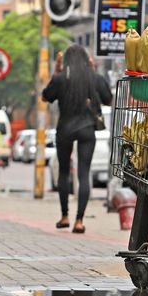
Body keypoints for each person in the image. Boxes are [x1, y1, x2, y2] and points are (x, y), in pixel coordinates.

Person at [42, 44, 112, 233]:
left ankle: (64, 216)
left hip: (65, 129)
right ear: (86, 60)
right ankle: (79, 221)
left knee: (64, 172)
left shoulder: (60, 78)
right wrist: (93, 71)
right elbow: (108, 99)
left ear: (66, 61)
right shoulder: (94, 78)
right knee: (83, 173)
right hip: (87, 129)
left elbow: (46, 97)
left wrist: (56, 73)